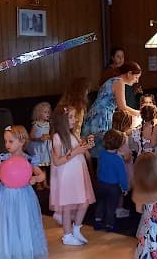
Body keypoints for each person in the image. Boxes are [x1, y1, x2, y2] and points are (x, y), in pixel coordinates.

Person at [0, 126, 47, 259]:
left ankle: (23, 250)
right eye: (5, 141)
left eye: (10, 141)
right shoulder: (3, 158)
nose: (7, 145)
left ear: (22, 142)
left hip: (23, 194)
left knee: (22, 220)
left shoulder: (29, 159)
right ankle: (5, 251)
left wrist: (35, 179)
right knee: (6, 221)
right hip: (6, 194)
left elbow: (41, 174)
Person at [49, 105, 95, 246]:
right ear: (62, 120)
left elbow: (78, 151)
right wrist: (75, 151)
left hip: (77, 174)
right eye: (71, 117)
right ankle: (67, 234)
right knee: (68, 206)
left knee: (84, 201)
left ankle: (76, 228)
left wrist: (85, 147)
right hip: (67, 175)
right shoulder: (57, 138)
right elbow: (57, 161)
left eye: (74, 117)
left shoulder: (73, 135)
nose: (74, 120)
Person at [81, 61, 142, 155]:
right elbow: (122, 107)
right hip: (101, 116)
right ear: (129, 73)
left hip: (96, 114)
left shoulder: (113, 80)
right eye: (136, 77)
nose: (137, 81)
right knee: (101, 148)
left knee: (92, 146)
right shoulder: (119, 82)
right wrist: (139, 113)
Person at [94, 129, 128, 232]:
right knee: (111, 206)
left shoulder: (102, 154)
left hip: (101, 183)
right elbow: (122, 176)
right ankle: (109, 224)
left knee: (100, 202)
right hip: (113, 187)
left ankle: (97, 221)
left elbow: (99, 168)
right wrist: (125, 188)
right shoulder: (118, 159)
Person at [112, 110, 134, 218]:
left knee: (117, 189)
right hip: (124, 166)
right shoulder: (124, 137)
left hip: (113, 168)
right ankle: (119, 209)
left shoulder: (111, 135)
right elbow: (127, 155)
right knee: (121, 189)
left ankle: (115, 208)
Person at [26, 101, 52, 185]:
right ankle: (38, 183)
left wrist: (49, 137)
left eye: (48, 112)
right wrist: (39, 139)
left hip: (45, 148)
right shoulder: (36, 125)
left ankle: (45, 183)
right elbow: (31, 136)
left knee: (44, 165)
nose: (47, 114)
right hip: (37, 148)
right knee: (38, 166)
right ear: (39, 113)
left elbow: (50, 135)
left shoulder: (48, 124)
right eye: (45, 112)